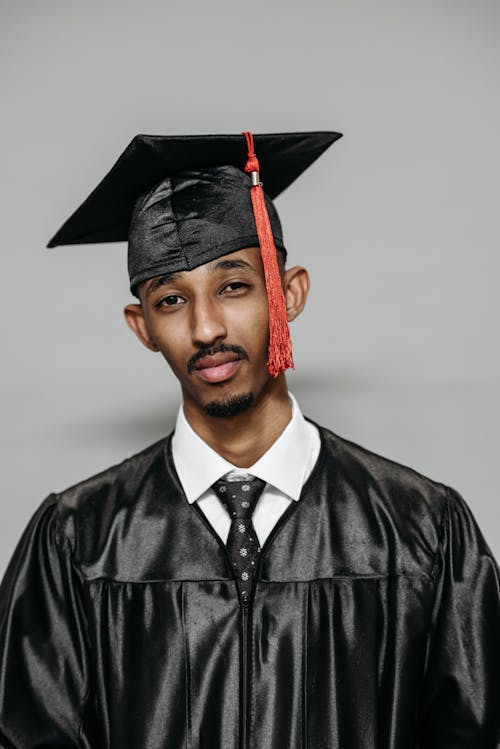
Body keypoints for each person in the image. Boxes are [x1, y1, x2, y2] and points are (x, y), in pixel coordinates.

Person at [0, 130, 499, 749]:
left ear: (288, 295)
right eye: (172, 299)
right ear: (142, 327)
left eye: (233, 286)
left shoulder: (421, 531)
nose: (206, 326)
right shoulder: (79, 542)